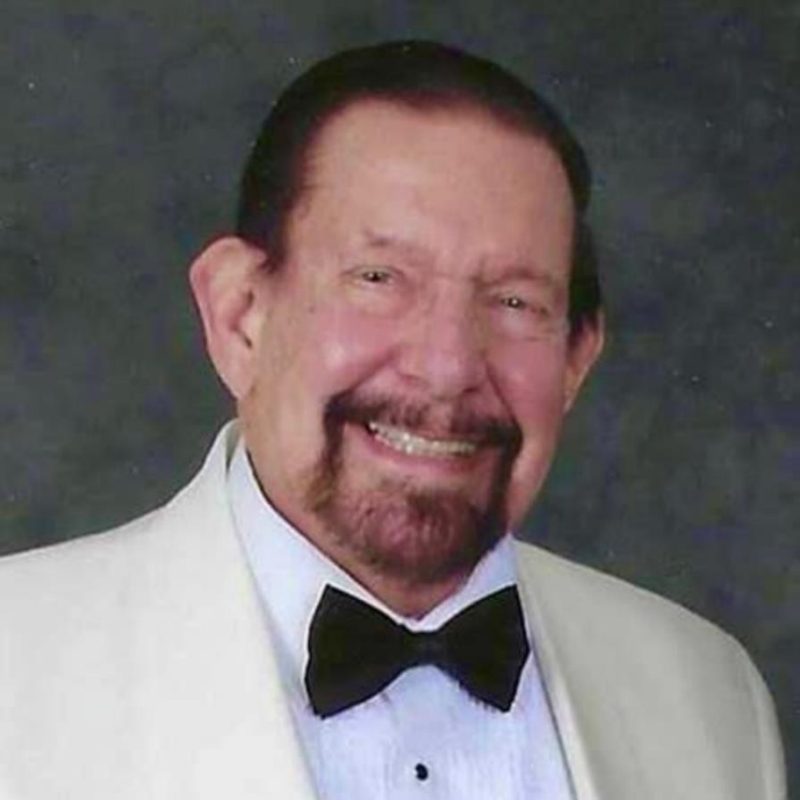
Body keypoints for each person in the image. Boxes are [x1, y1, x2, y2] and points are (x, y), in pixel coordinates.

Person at [0, 41, 785, 800]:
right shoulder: (18, 663)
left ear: (576, 357)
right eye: (379, 278)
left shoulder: (709, 697)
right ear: (241, 316)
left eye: (515, 301)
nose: (446, 367)